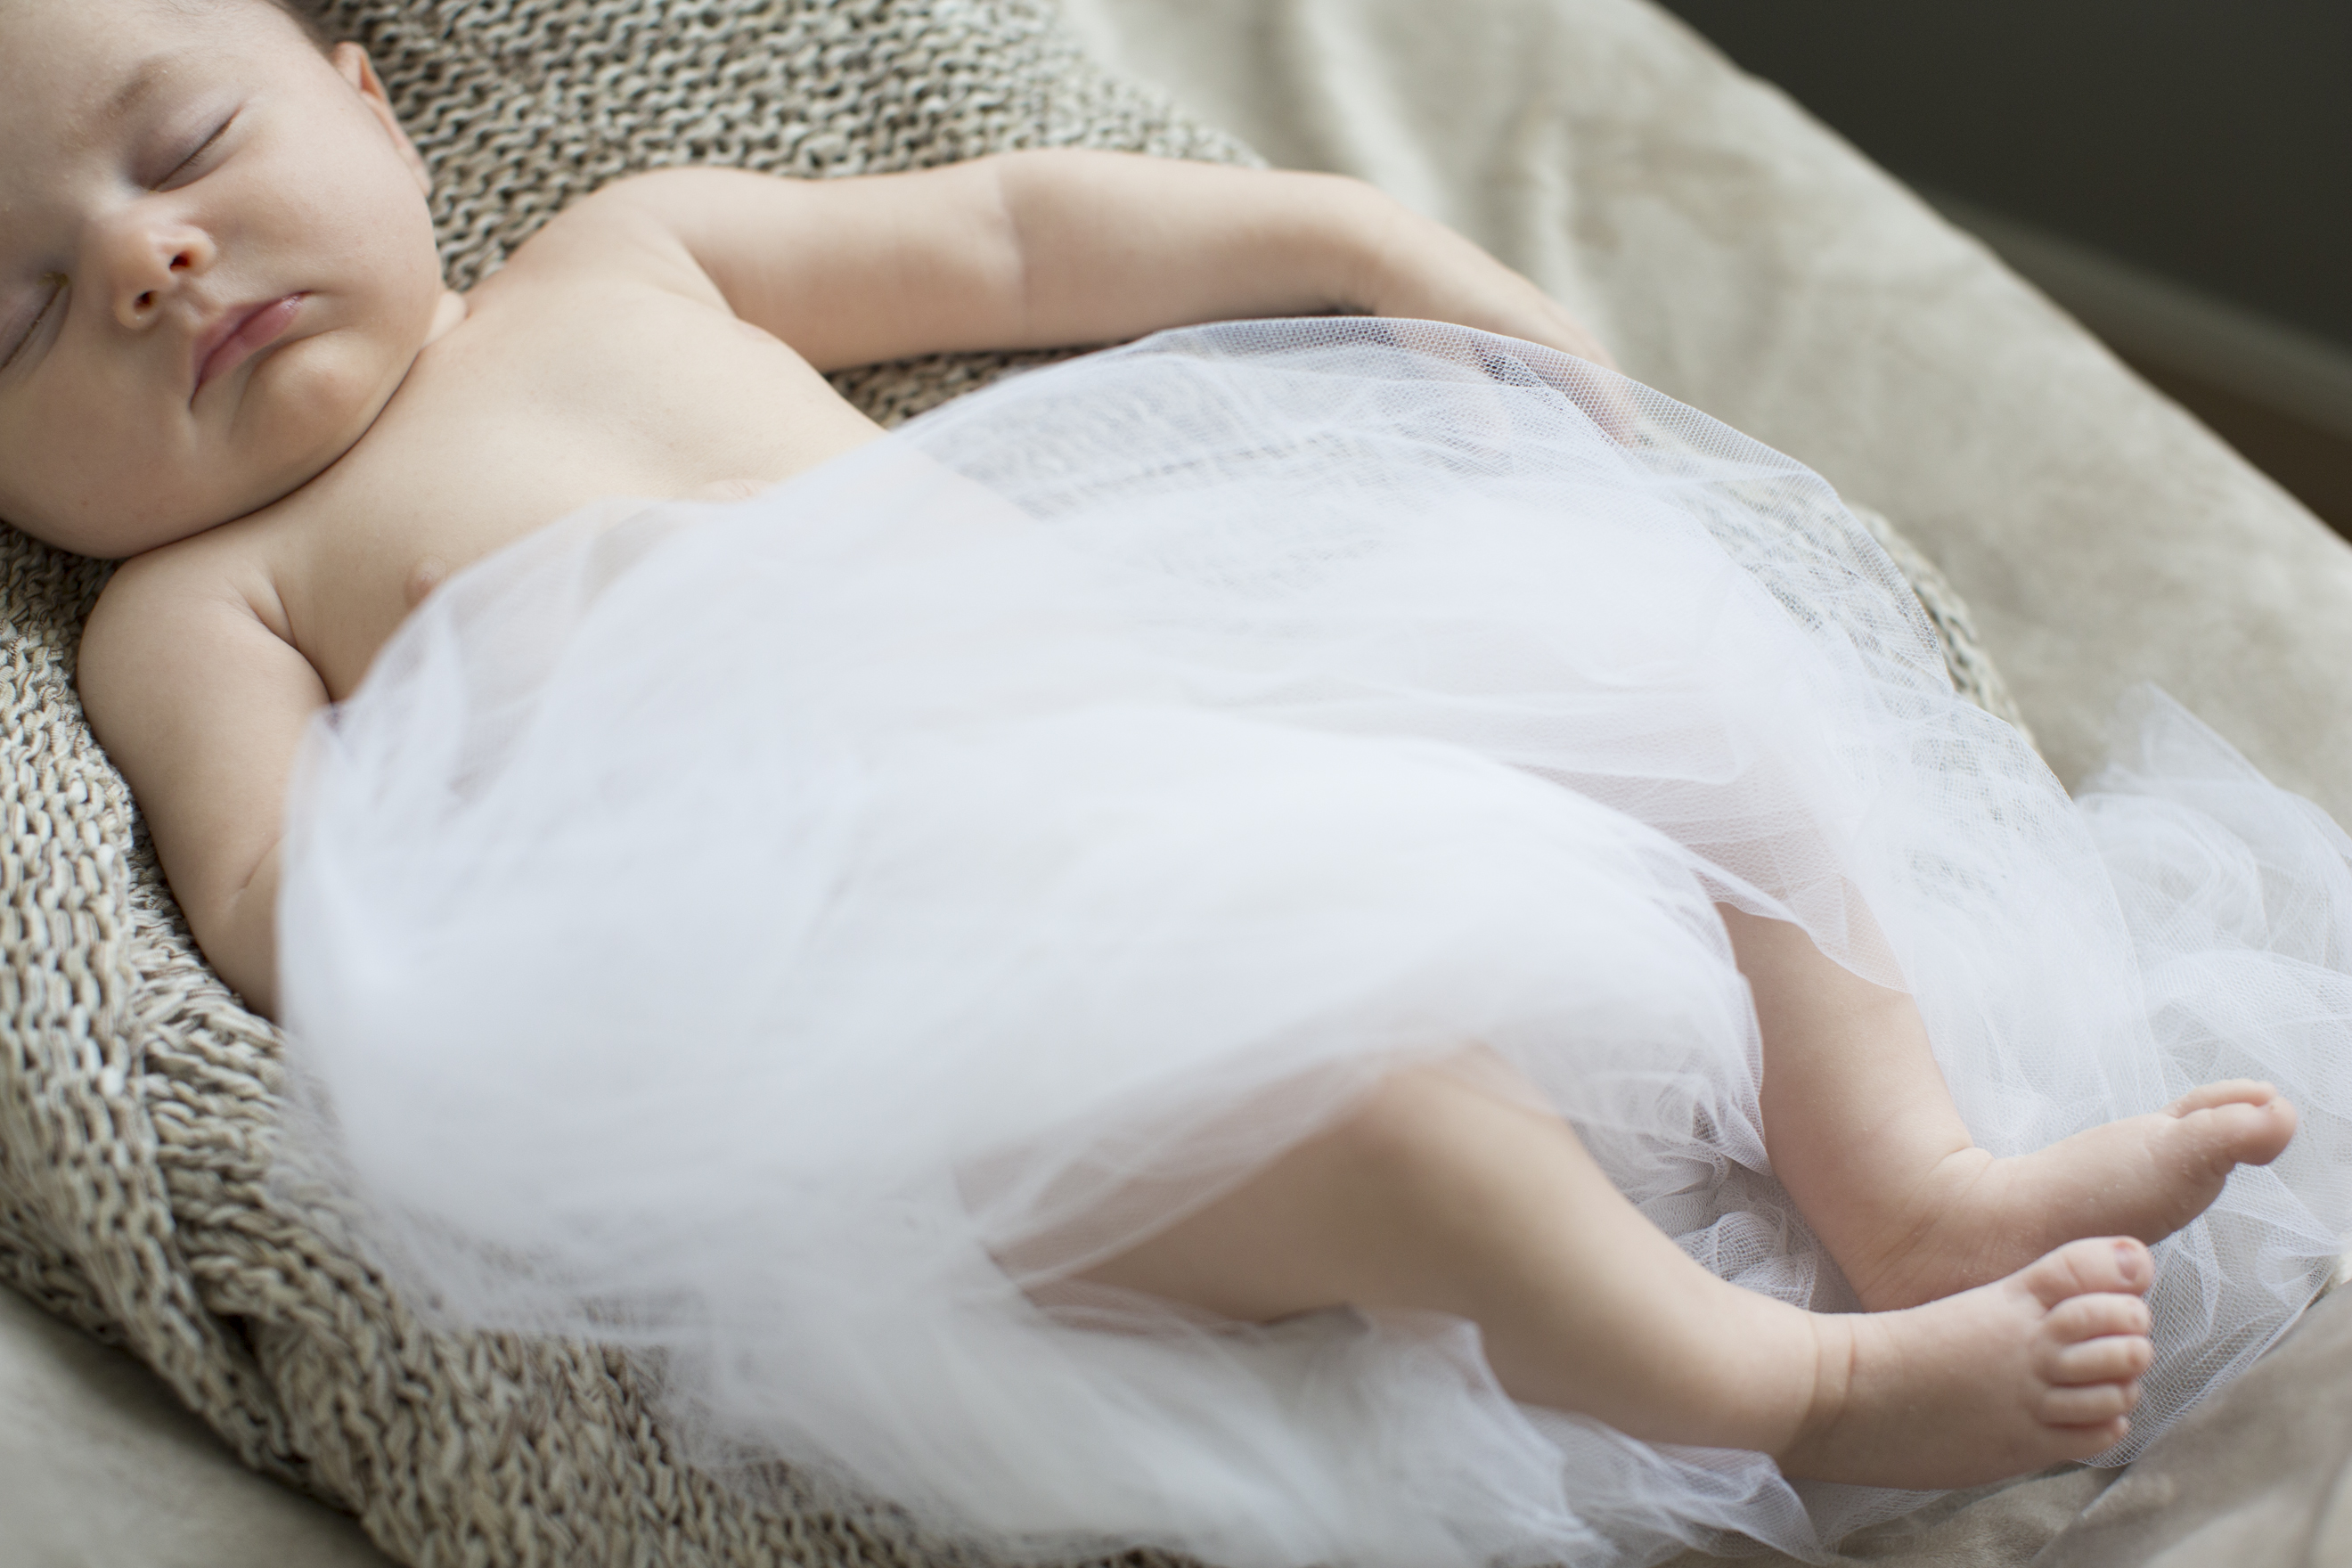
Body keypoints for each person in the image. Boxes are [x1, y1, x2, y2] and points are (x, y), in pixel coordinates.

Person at [3, 0, 2338, 1562]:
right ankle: (1793, 1387)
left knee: (1676, 686)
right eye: (13, 309)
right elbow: (280, 898)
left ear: (371, 99)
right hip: (924, 1006)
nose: (150, 262)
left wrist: (1356, 240)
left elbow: (1012, 233)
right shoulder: (201, 602)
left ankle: (1906, 1173)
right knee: (1395, 1123)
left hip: (1198, 730)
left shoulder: (624, 258)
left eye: (186, 145)